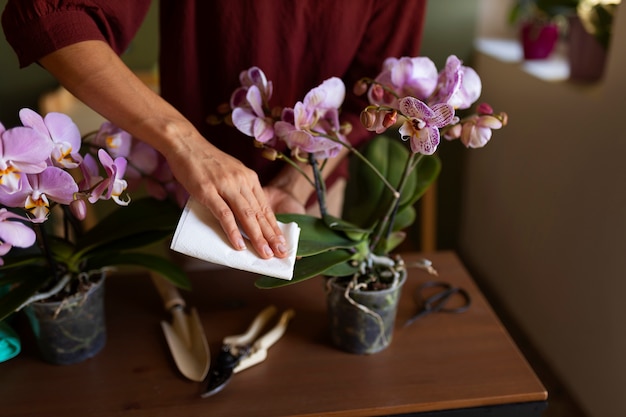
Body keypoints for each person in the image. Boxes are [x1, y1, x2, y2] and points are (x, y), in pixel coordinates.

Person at [1, 0, 427, 260]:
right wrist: (186, 144)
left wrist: (299, 180)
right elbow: (48, 19)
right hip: (196, 194)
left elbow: (374, 92)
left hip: (313, 192)